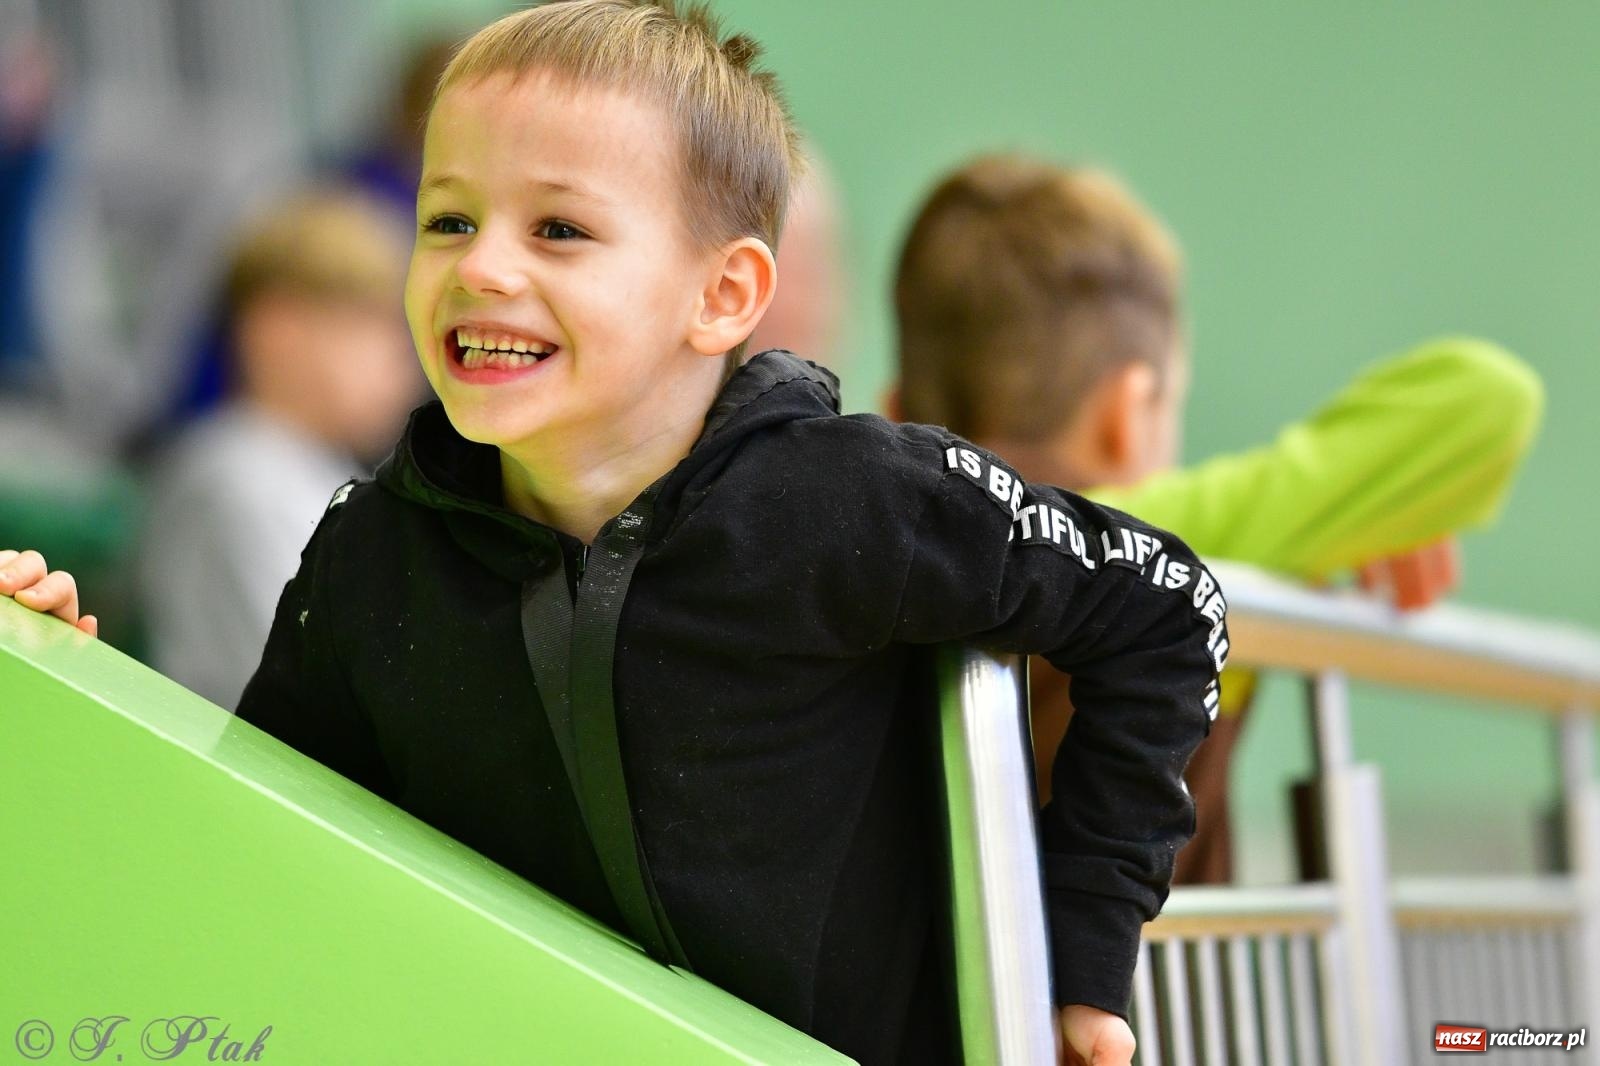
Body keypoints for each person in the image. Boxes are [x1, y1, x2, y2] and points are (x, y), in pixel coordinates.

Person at [0, 6, 1227, 1063]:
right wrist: (65, 694)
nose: (481, 268)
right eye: (446, 221)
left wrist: (1080, 949)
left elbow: (1172, 607)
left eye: (559, 231)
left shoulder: (858, 497)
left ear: (725, 295)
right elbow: (259, 856)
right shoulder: (370, 556)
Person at [890, 155, 1544, 883]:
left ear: (895, 411)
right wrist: (1336, 524)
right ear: (1127, 417)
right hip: (1132, 996)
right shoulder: (1150, 538)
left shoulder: (885, 547)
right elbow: (1493, 398)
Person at [137, 188, 421, 709]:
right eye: (369, 323)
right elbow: (320, 687)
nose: (401, 355)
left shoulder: (329, 475)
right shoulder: (237, 470)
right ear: (278, 327)